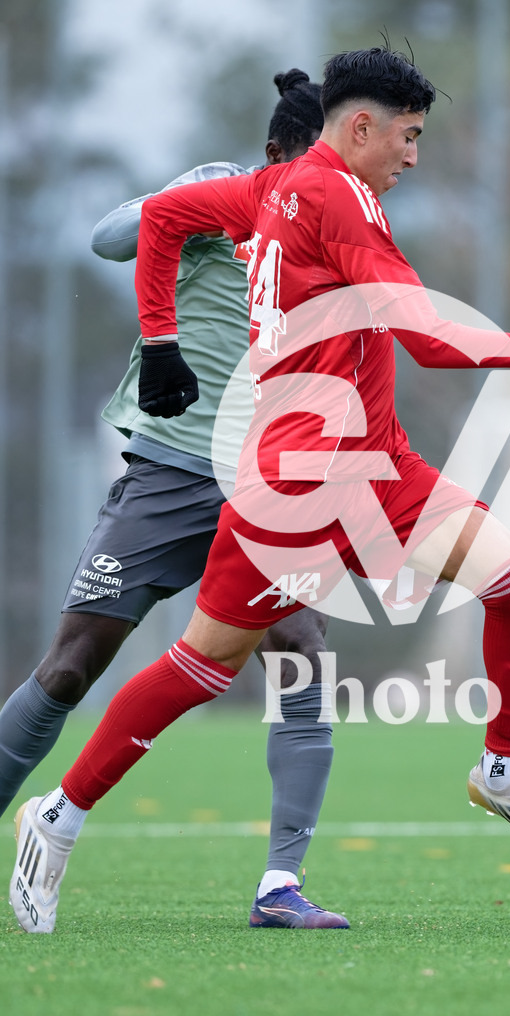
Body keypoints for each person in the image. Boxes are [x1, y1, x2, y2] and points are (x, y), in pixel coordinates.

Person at [10, 46, 510, 934]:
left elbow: (163, 218)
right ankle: (58, 816)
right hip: (295, 487)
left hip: (379, 468)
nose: (414, 156)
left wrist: (162, 339)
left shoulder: (273, 189)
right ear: (360, 127)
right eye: (409, 136)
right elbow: (430, 339)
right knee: (202, 668)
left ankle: (501, 771)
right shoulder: (335, 198)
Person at [4, 70, 349, 929]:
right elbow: (108, 241)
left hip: (269, 483)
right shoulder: (220, 196)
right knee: (72, 664)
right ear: (274, 155)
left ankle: (280, 886)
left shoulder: (343, 226)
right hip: (172, 469)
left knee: (300, 651)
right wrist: (192, 194)